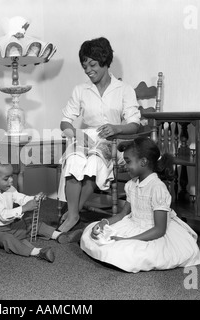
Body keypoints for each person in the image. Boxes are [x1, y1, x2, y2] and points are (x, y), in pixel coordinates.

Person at [57, 37, 141, 232]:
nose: (88, 70)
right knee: (74, 161)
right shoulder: (81, 90)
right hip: (84, 138)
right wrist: (76, 134)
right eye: (84, 66)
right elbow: (64, 121)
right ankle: (74, 214)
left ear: (105, 61)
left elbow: (134, 125)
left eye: (92, 64)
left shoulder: (124, 90)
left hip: (113, 141)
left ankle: (72, 213)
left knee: (94, 163)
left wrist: (117, 128)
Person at [80, 137, 200, 273]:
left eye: (128, 162)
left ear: (143, 162)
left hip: (152, 232)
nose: (125, 166)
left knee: (126, 252)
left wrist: (129, 240)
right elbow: (122, 214)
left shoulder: (157, 188)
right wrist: (104, 222)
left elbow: (159, 230)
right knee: (93, 233)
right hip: (133, 224)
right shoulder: (132, 184)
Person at [0, 156, 83, 263]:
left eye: (11, 176)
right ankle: (37, 252)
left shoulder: (9, 188)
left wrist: (35, 198)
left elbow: (21, 198)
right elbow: (3, 215)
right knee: (7, 239)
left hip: (9, 226)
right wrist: (24, 208)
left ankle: (60, 235)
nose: (11, 180)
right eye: (6, 178)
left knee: (31, 223)